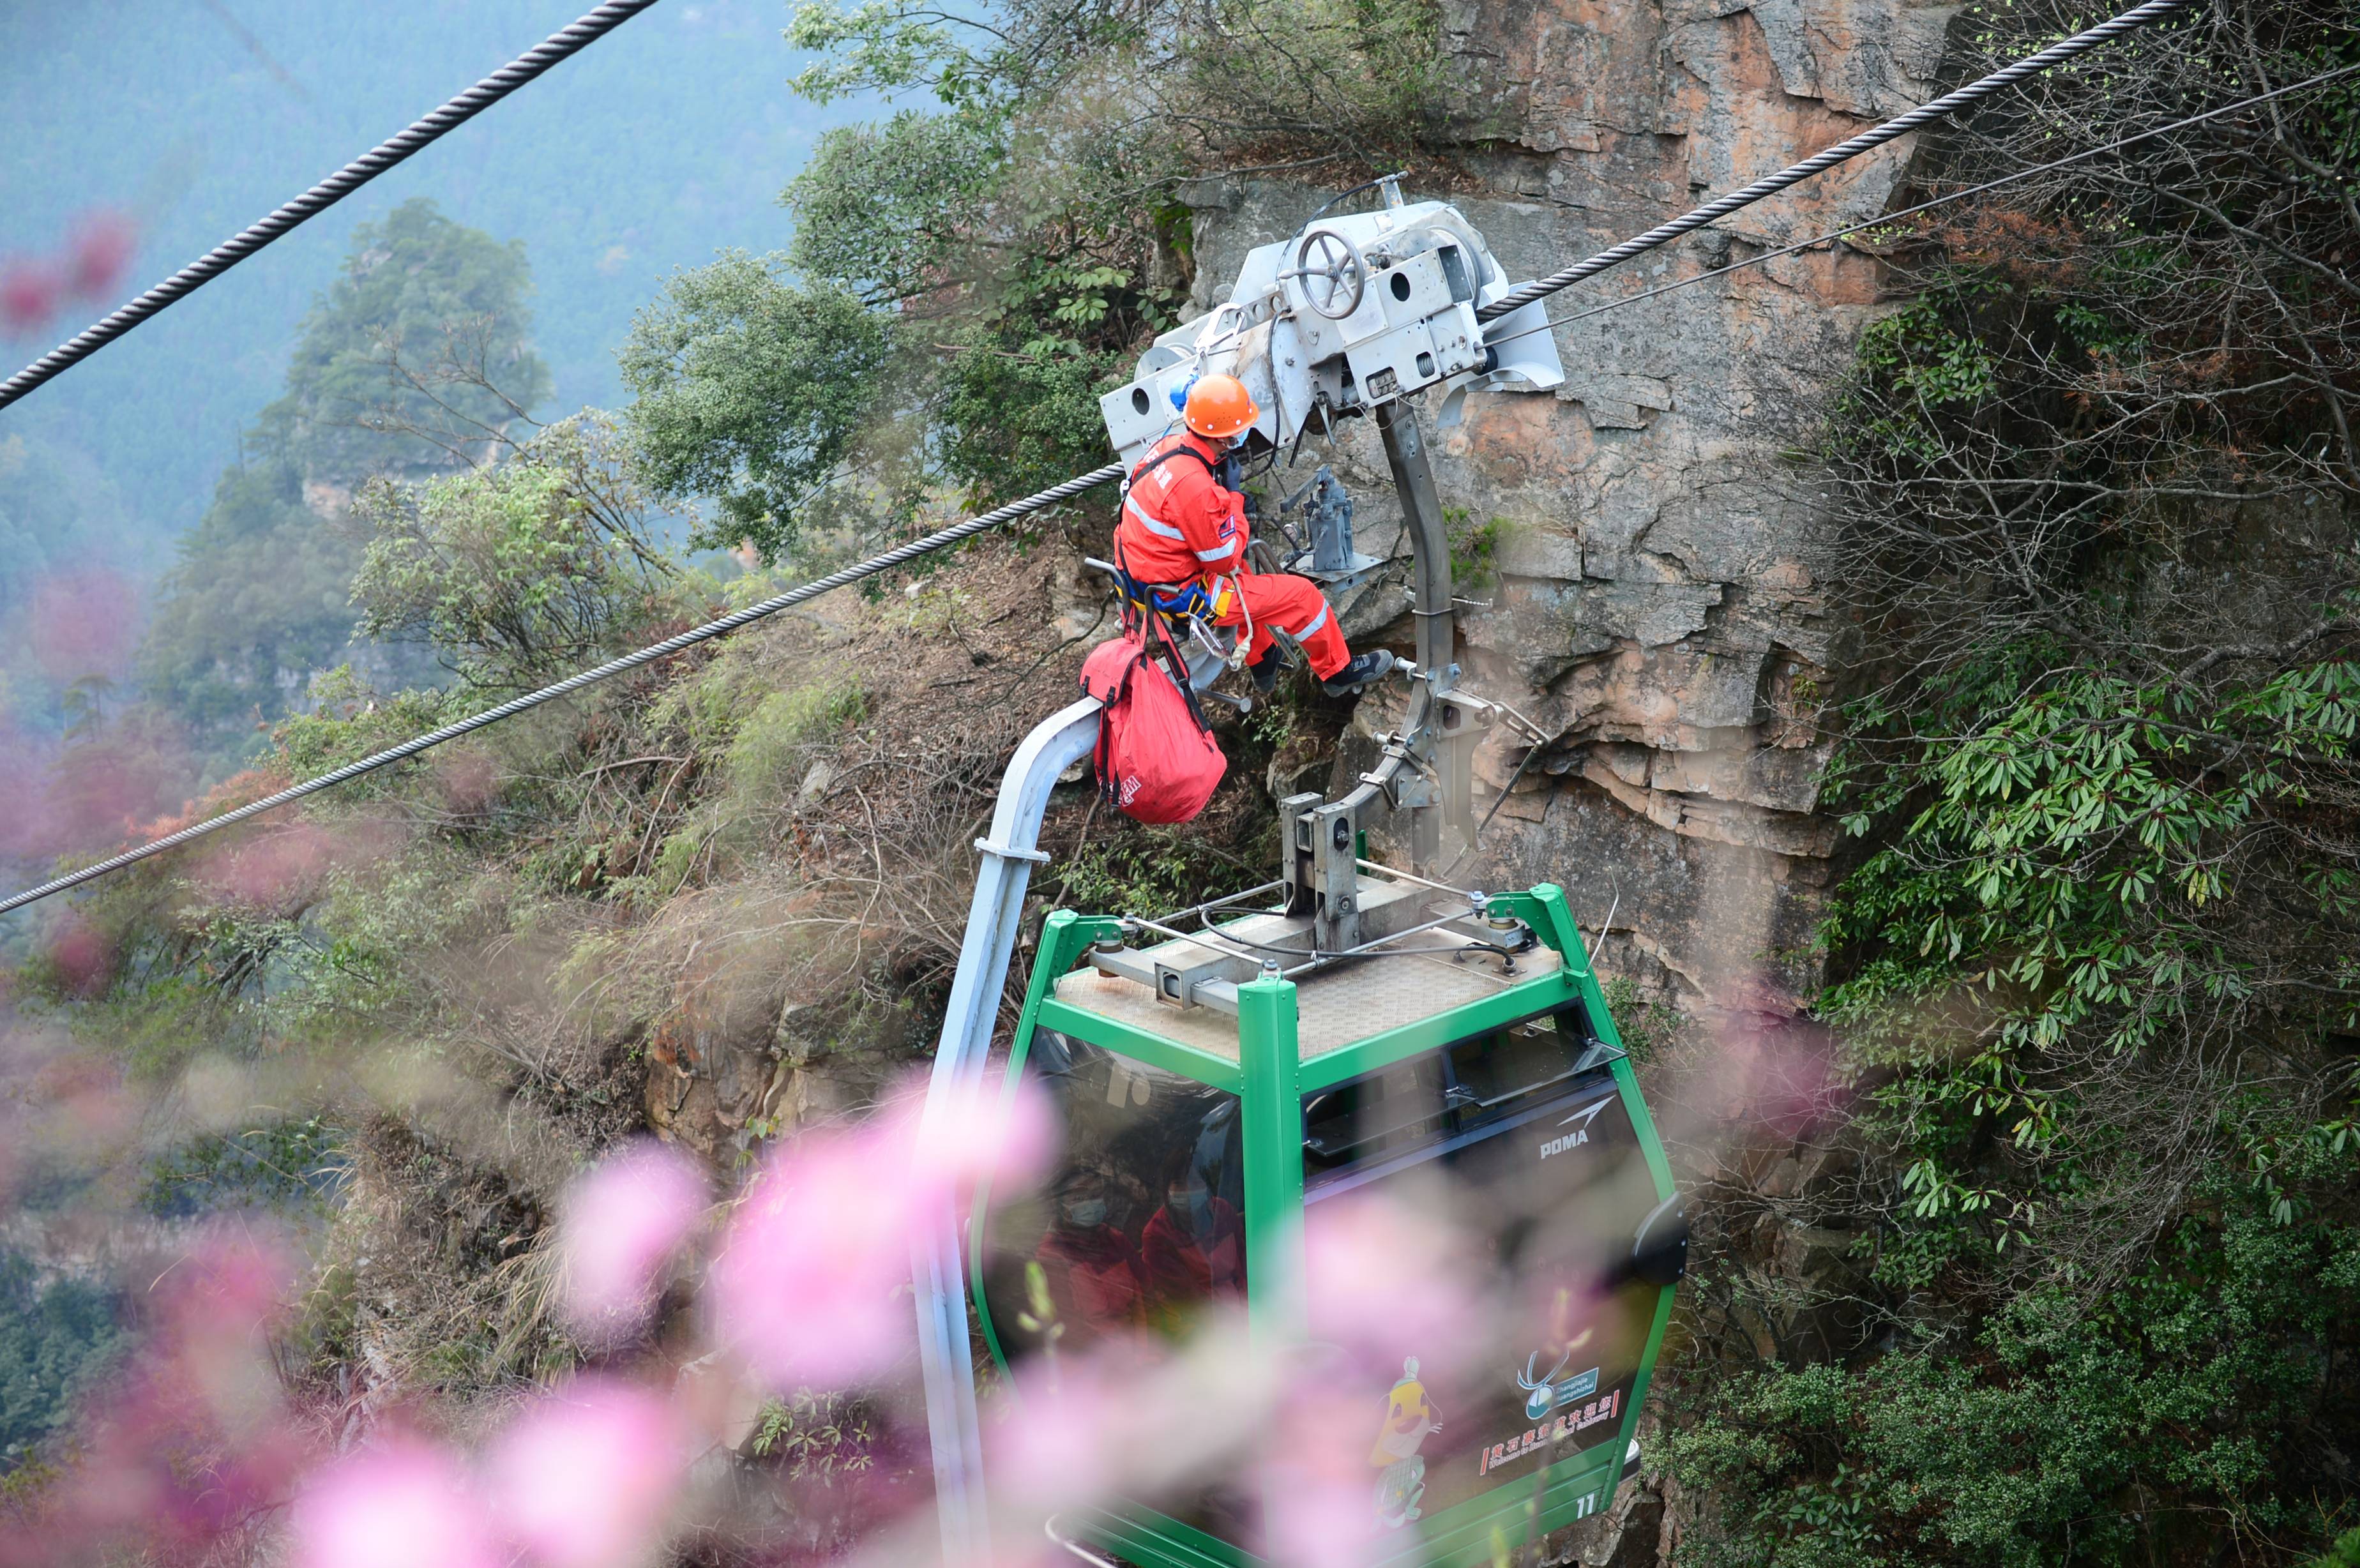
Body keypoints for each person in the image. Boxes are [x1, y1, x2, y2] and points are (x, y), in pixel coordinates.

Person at [1116, 372, 1396, 696]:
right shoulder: (1195, 488)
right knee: (1302, 597)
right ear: (1225, 437)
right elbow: (1225, 559)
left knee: (1246, 576)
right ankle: (1337, 672)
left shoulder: (1167, 448)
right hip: (1182, 597)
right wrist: (1233, 500)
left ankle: (1262, 658)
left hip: (1145, 578)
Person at [1138, 1147, 1245, 1331]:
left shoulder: (1223, 1211)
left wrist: (1249, 1307)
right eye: (1179, 1184)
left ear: (1205, 1183)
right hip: (1197, 1326)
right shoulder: (1157, 1235)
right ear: (1166, 1189)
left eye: (1195, 1181)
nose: (1188, 1190)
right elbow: (1188, 1298)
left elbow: (1247, 1267)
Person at [1032, 1172, 1145, 1338]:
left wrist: (1145, 1347)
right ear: (1060, 1206)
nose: (1089, 1203)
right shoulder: (1052, 1256)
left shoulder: (1114, 1238)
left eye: (1094, 1196)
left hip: (1141, 1340)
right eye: (1077, 1199)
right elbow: (1067, 1329)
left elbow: (1145, 1290)